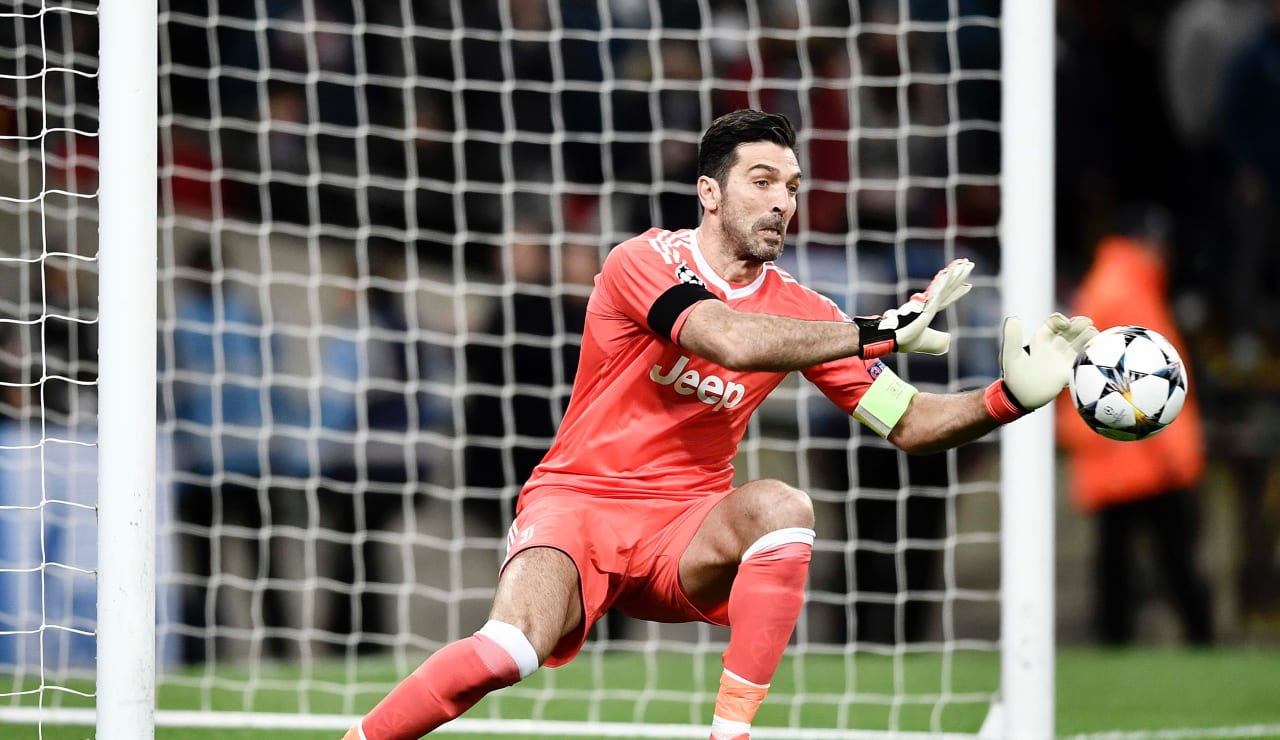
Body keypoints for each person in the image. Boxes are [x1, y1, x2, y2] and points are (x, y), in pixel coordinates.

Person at [343, 109, 1097, 740]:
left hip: (684, 532)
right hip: (578, 506)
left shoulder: (806, 311)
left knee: (783, 508)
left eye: (792, 187)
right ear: (709, 192)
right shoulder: (640, 260)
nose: (781, 202)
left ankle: (729, 734)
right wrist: (875, 331)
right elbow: (726, 337)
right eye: (761, 182)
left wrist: (1007, 398)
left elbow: (910, 422)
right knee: (509, 650)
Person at [1055, 206, 1214, 646]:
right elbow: (1152, 385)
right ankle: (1200, 639)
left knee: (1116, 558)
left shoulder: (1107, 284)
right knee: (1172, 555)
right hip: (1142, 453)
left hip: (1112, 450)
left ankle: (1114, 643)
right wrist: (1179, 456)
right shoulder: (1128, 291)